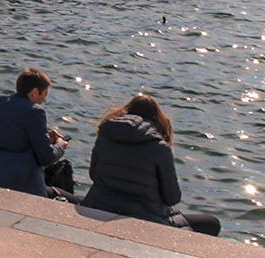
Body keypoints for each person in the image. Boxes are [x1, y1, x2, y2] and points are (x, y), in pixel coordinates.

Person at [82, 93, 221, 236]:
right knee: (212, 223)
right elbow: (172, 198)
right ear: (158, 119)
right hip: (144, 219)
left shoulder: (105, 135)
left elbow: (93, 175)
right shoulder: (159, 148)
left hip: (98, 206)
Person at [0, 68, 70, 199]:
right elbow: (47, 157)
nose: (44, 100)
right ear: (35, 92)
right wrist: (60, 145)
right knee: (74, 200)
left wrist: (45, 138)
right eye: (44, 95)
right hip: (24, 185)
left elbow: (13, 138)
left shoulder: (0, 103)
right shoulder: (35, 112)